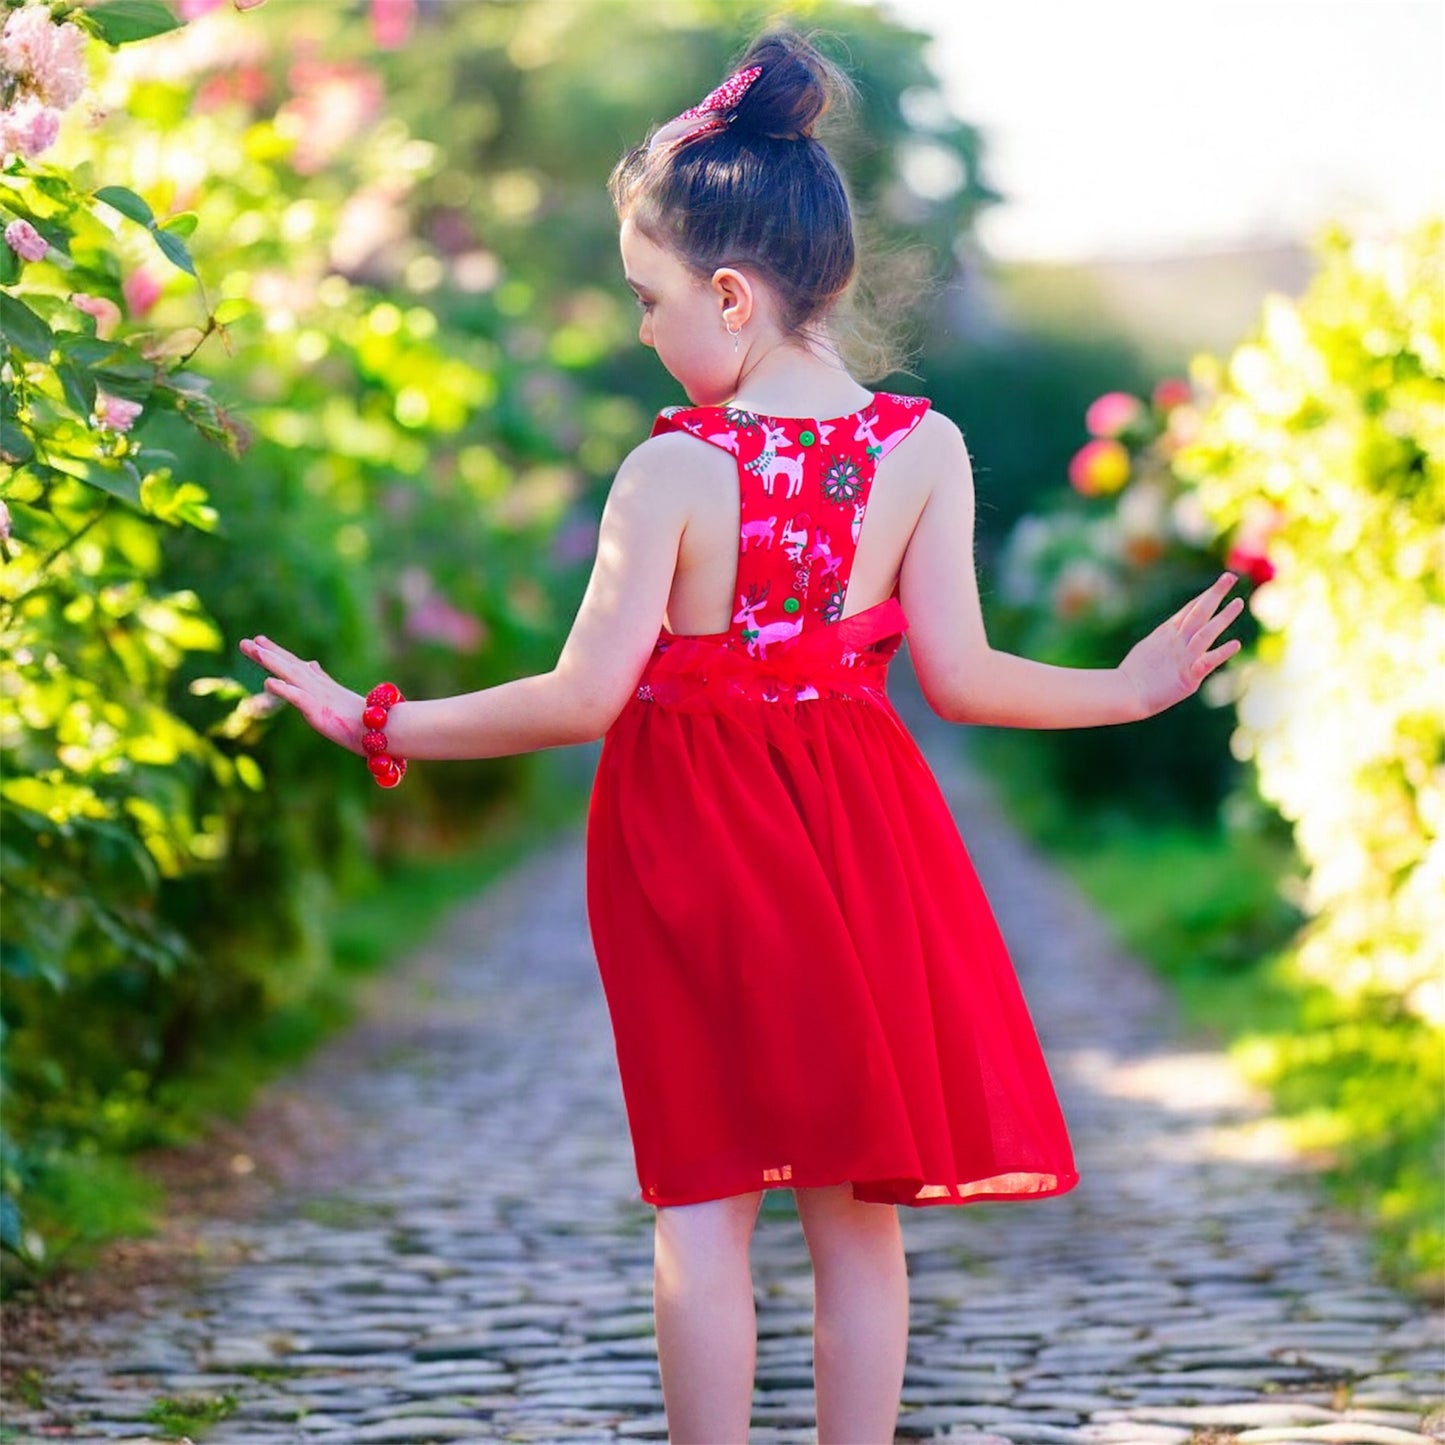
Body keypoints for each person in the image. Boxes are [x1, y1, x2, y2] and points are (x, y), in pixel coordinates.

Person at [241, 27, 1243, 1445]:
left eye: (648, 300)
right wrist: (1122, 688)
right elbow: (961, 679)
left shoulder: (672, 469)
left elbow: (580, 697)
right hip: (863, 838)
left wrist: (379, 719)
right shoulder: (923, 448)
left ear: (727, 293)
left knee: (703, 1198)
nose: (644, 331)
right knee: (854, 1211)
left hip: (693, 850)